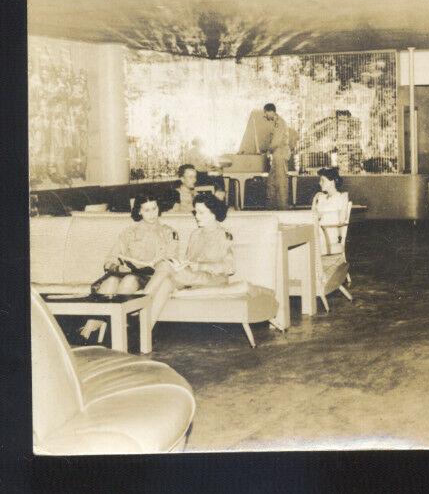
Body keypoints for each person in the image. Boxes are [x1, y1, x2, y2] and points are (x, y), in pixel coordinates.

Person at [80, 193, 179, 340]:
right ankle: (89, 331)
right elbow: (109, 260)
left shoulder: (169, 232)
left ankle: (116, 331)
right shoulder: (129, 233)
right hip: (128, 273)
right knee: (111, 282)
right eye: (147, 210)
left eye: (154, 208)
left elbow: (171, 260)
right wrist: (118, 268)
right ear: (139, 211)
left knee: (129, 281)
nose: (152, 214)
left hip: (153, 278)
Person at [145, 192, 235, 329]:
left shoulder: (224, 235)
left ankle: (142, 297)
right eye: (196, 212)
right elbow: (189, 261)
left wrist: (199, 266)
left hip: (213, 279)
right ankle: (144, 332)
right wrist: (183, 264)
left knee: (166, 266)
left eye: (201, 213)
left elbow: (230, 267)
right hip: (192, 278)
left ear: (213, 213)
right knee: (167, 282)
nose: (196, 216)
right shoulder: (195, 235)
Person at [238, 103, 299, 210]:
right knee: (272, 180)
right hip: (276, 154)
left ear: (271, 111)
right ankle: (272, 205)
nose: (265, 116)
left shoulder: (280, 123)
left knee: (281, 181)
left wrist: (266, 149)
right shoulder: (276, 122)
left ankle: (283, 206)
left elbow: (276, 141)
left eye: (266, 113)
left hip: (280, 153)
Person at [311, 167, 349, 254]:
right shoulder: (322, 197)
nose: (320, 183)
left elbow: (342, 220)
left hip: (327, 234)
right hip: (319, 232)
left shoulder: (340, 197)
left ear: (332, 182)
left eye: (322, 180)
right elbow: (313, 215)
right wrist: (315, 199)